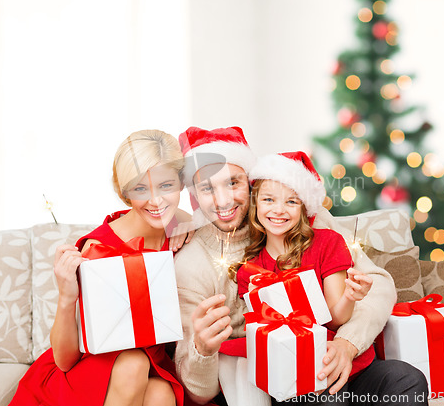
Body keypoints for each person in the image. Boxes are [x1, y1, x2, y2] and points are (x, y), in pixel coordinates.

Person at [174, 126, 428, 406]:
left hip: (339, 359)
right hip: (280, 379)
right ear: (194, 193)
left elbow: (378, 285)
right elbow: (198, 392)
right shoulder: (191, 263)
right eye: (207, 188)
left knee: (406, 379)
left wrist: (348, 343)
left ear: (249, 183)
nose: (223, 200)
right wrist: (203, 349)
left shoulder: (302, 219)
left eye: (233, 183)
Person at [10, 129, 194, 406]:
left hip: (151, 367)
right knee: (133, 363)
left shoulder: (181, 225)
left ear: (181, 182)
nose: (156, 201)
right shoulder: (99, 250)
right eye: (141, 189)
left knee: (162, 394)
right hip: (87, 371)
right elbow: (64, 360)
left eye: (166, 186)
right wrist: (66, 295)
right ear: (125, 191)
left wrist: (190, 221)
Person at [234, 151, 375, 404]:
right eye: (268, 199)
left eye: (291, 202)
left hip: (349, 366)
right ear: (255, 205)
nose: (279, 210)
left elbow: (336, 319)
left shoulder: (327, 243)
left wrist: (350, 297)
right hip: (298, 376)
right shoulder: (250, 271)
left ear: (303, 207)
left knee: (405, 377)